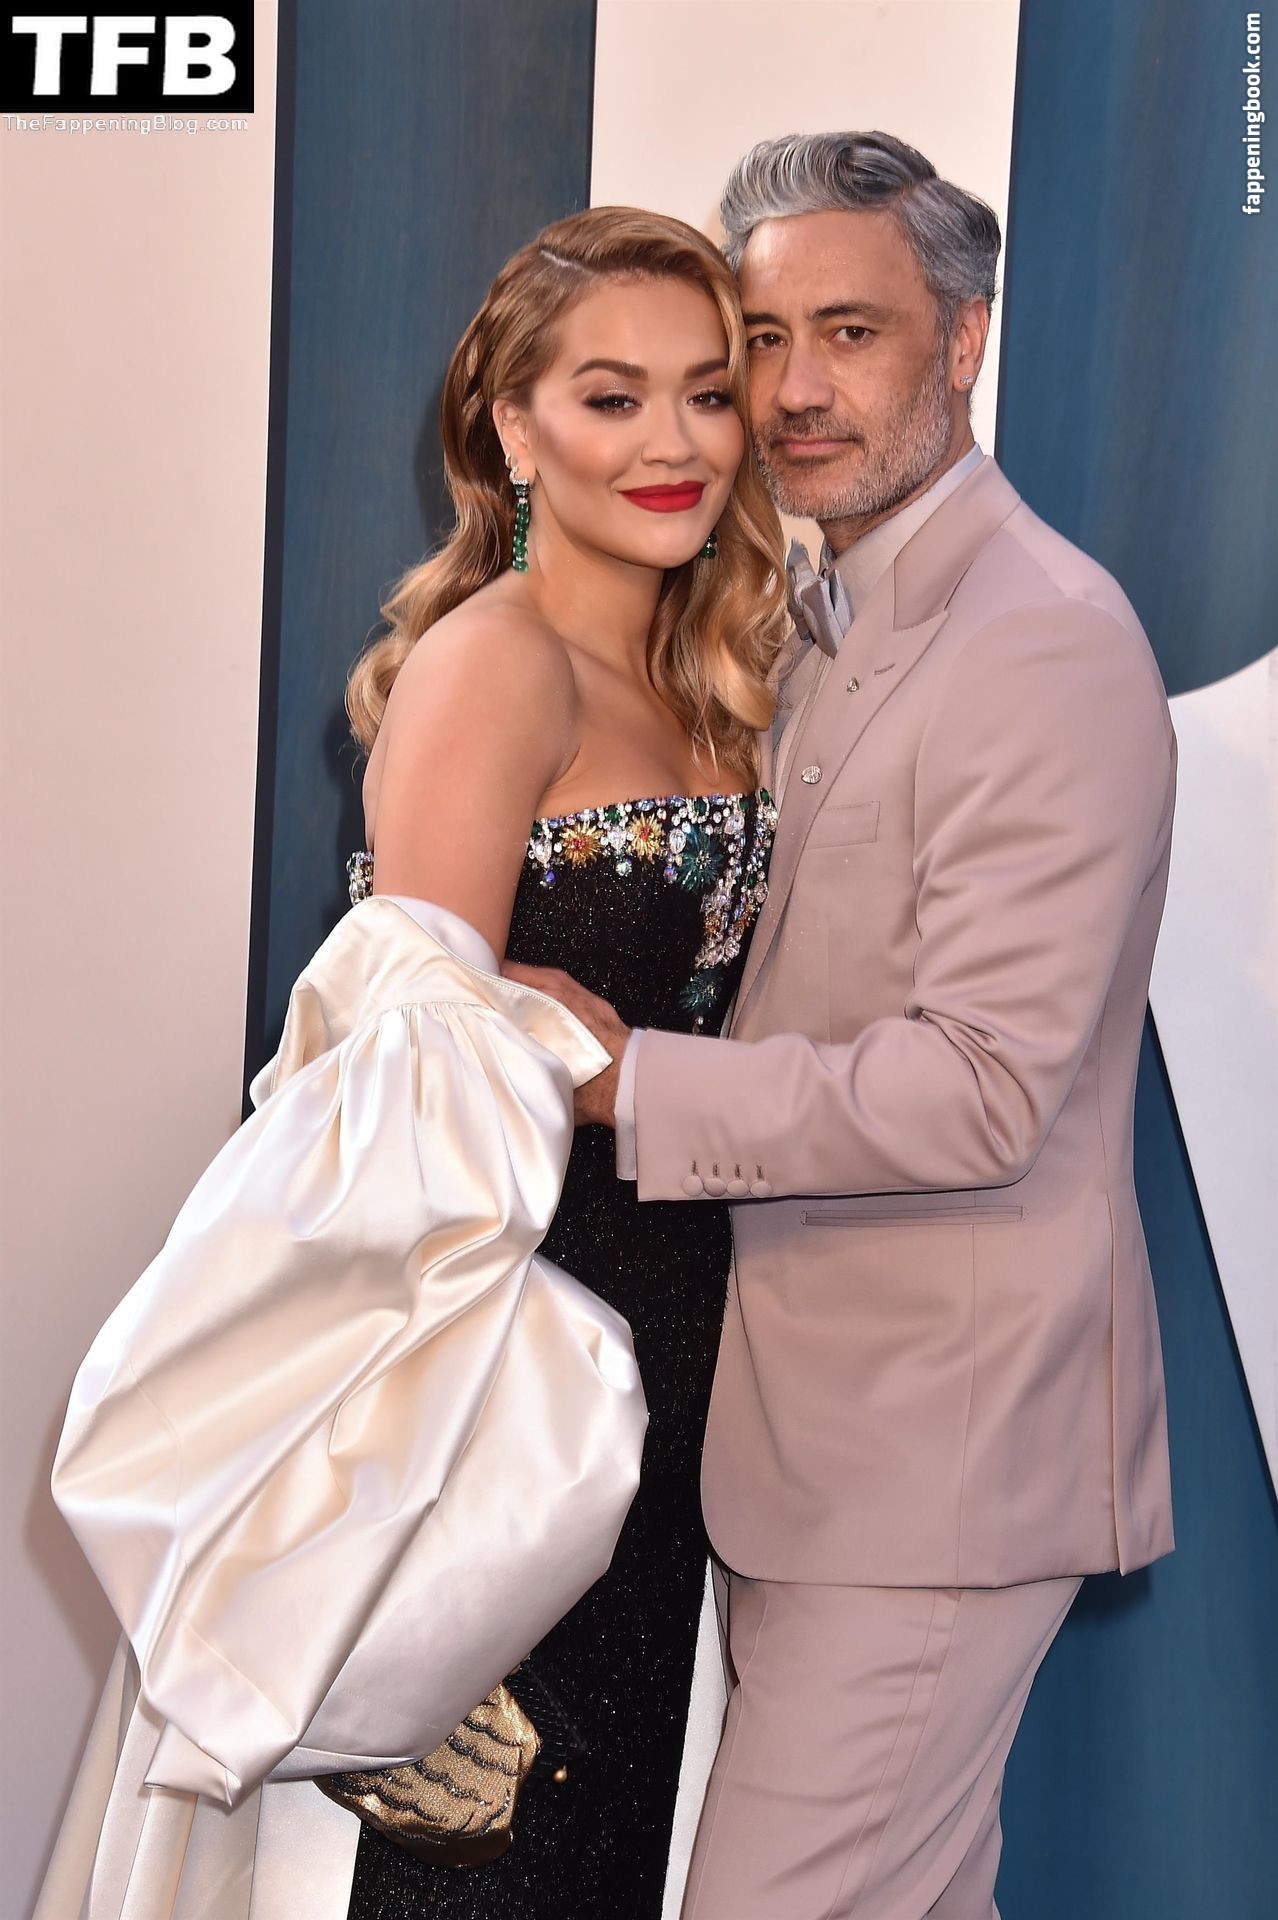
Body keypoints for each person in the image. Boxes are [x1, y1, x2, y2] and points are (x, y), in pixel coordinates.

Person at [34, 206, 787, 1920]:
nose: (672, 442)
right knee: (476, 1852)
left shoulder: (710, 672)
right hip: (508, 1360)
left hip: (667, 1338)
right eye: (610, 398)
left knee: (596, 1851)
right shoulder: (494, 662)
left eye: (705, 392)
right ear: (513, 427)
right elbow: (406, 1076)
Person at [509, 132, 1178, 1919]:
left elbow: (981, 1091)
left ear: (961, 339)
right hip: (800, 1445)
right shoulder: (801, 614)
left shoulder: (1040, 637)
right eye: (763, 339)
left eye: (852, 334)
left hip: (932, 1459)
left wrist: (627, 1081)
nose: (794, 390)